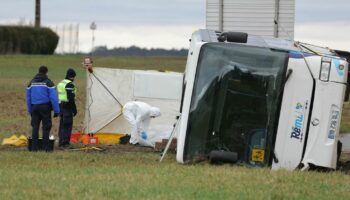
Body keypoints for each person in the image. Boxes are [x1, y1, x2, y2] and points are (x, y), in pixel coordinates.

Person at [26, 66, 60, 151]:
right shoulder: (49, 83)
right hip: (45, 108)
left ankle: (34, 148)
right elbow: (54, 98)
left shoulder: (31, 83)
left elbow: (28, 98)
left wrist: (30, 110)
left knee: (35, 127)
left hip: (34, 107)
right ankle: (46, 148)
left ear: (39, 71)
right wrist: (56, 110)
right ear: (46, 72)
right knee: (46, 127)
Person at [57, 68, 77, 148]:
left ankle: (61, 142)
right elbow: (71, 98)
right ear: (72, 76)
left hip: (60, 106)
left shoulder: (61, 83)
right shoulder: (69, 84)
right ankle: (65, 144)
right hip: (67, 106)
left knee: (62, 124)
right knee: (67, 124)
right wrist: (74, 109)